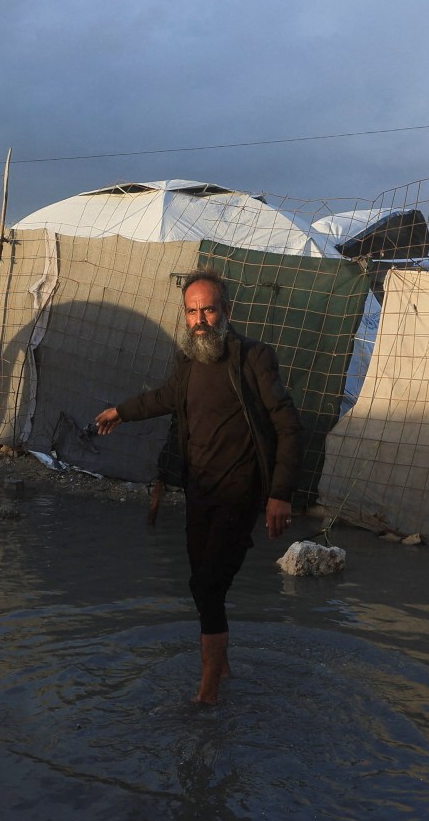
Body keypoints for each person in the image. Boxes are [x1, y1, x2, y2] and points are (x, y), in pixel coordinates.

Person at [95, 270, 301, 704]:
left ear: (227, 310)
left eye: (208, 310)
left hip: (240, 492)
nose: (200, 320)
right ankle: (221, 664)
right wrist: (121, 411)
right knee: (200, 583)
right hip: (199, 492)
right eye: (192, 312)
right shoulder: (188, 360)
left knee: (208, 586)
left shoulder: (253, 358)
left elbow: (288, 426)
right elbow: (164, 397)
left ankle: (208, 692)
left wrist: (280, 494)